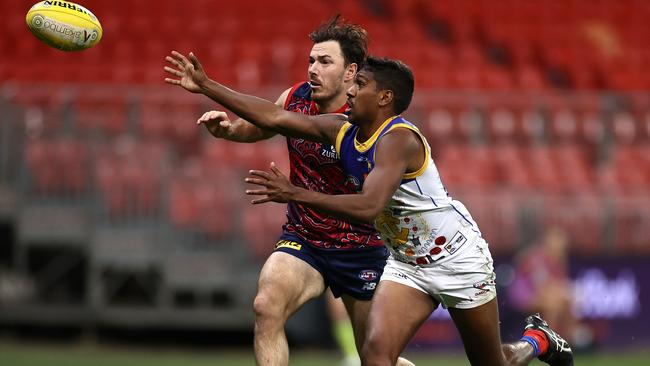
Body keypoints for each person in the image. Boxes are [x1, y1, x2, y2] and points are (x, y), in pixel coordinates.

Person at [164, 50, 574, 366]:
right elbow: (274, 115)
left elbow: (368, 206)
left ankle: (536, 341)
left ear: (384, 97)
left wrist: (295, 194)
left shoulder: (400, 140)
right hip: (408, 265)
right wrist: (207, 85)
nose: (351, 90)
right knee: (376, 355)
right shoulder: (341, 130)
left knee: (494, 363)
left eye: (359, 84)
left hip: (457, 260)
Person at [167, 16, 411, 366]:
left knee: (376, 358)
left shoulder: (365, 121)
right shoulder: (296, 97)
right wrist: (229, 131)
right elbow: (261, 125)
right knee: (266, 306)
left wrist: (208, 86)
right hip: (305, 239)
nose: (313, 68)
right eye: (311, 60)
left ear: (350, 72)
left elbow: (374, 197)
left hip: (363, 248)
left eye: (324, 62)